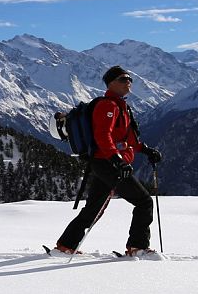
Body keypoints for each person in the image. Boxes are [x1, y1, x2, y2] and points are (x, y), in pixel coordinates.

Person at [54, 66, 163, 257]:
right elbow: (103, 137)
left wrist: (145, 150)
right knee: (144, 202)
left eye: (129, 79)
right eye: (123, 79)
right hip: (107, 163)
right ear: (111, 83)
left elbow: (127, 139)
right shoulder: (108, 106)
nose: (128, 82)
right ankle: (137, 247)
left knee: (94, 208)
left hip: (105, 163)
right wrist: (117, 160)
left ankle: (66, 245)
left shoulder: (121, 105)